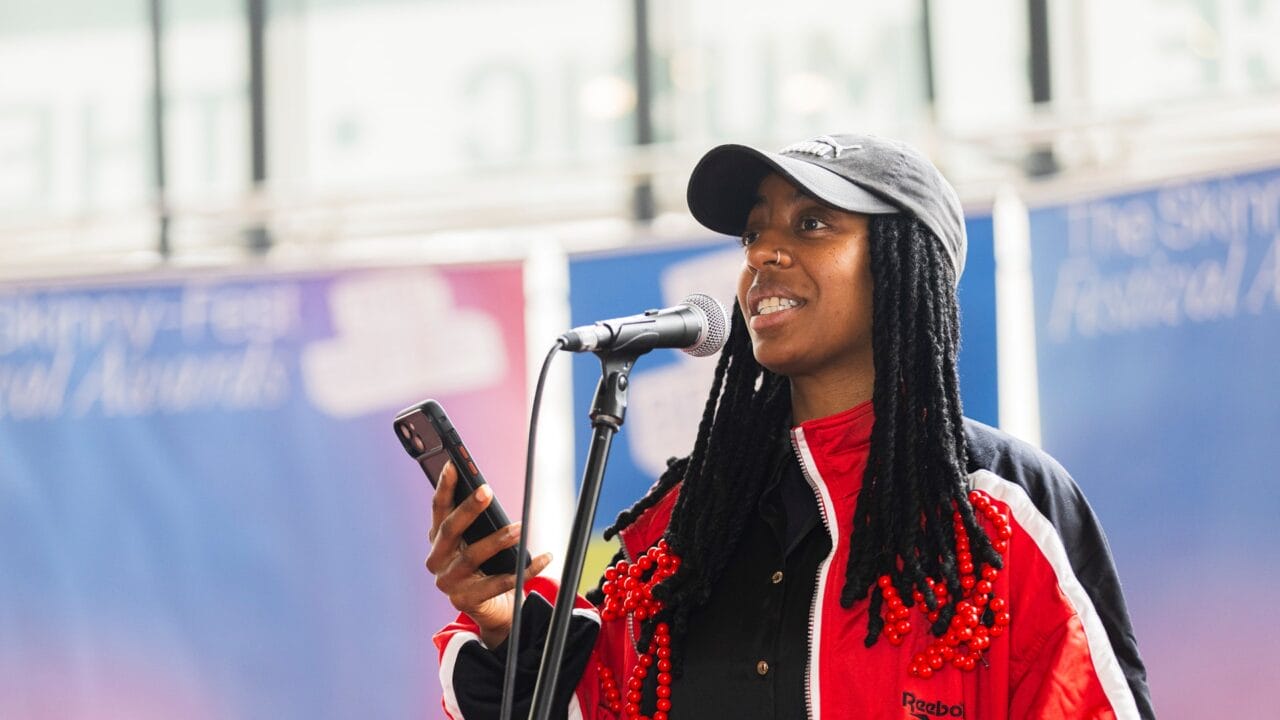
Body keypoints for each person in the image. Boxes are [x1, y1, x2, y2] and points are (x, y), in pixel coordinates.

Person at [427, 133, 1154, 719]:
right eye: (753, 232)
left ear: (906, 267)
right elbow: (600, 699)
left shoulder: (1000, 507)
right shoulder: (683, 534)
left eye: (812, 223)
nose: (763, 253)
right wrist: (506, 630)